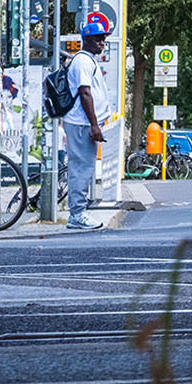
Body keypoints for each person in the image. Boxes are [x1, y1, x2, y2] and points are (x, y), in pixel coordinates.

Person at [64, 19, 111, 232]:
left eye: (103, 38)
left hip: (84, 123)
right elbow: (85, 93)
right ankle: (77, 214)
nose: (102, 42)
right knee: (81, 169)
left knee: (84, 167)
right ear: (86, 39)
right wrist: (94, 125)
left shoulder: (88, 60)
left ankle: (78, 211)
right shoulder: (82, 62)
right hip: (82, 123)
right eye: (97, 38)